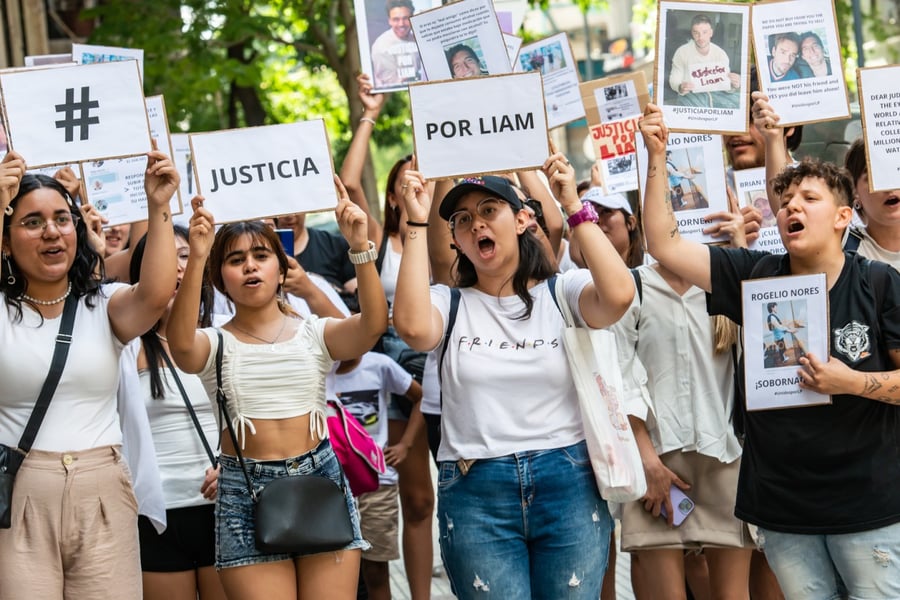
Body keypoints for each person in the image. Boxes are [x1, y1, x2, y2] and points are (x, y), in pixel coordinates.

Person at [638, 102, 900, 600]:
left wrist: (850, 383)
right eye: (784, 202)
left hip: (869, 507)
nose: (791, 208)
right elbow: (665, 245)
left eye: (809, 198)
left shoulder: (879, 283)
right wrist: (656, 156)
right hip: (783, 508)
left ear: (845, 216)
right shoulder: (753, 274)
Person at [393, 153, 635, 597]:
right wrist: (415, 222)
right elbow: (410, 327)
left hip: (568, 482)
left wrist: (574, 208)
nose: (477, 225)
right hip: (475, 491)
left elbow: (619, 295)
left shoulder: (562, 292)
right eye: (463, 220)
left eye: (489, 211)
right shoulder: (448, 304)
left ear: (523, 219)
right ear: (457, 243)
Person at [167, 181, 388, 600]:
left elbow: (372, 326)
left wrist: (359, 247)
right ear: (221, 277)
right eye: (235, 259)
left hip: (319, 477)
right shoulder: (214, 342)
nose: (250, 266)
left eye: (261, 255)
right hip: (243, 489)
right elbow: (181, 346)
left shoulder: (314, 333)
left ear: (281, 268)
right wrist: (197, 256)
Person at [0, 149, 179, 597]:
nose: (51, 233)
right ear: (6, 241)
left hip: (103, 492)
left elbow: (156, 295)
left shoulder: (105, 305)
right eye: (31, 222)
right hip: (18, 494)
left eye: (62, 218)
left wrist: (158, 205)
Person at [342, 73, 436, 600]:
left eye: (422, 178)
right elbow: (350, 179)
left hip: (444, 367)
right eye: (404, 181)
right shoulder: (381, 240)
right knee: (413, 495)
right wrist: (370, 115)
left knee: (434, 496)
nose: (413, 184)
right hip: (400, 379)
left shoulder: (448, 239)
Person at [129, 225, 226, 600]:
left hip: (223, 506)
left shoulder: (222, 338)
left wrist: (233, 466)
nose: (177, 267)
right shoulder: (126, 348)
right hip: (157, 514)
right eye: (166, 257)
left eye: (185, 255)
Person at [332, 350, 423, 600]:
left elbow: (420, 397)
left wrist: (405, 444)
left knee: (376, 571)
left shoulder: (379, 365)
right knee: (334, 572)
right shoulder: (319, 368)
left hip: (376, 485)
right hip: (330, 488)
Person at [842, 138, 900, 268]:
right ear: (854, 192)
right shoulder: (844, 249)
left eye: (896, 170)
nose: (888, 188)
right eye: (875, 177)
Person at [669, 14, 740, 109]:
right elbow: (674, 79)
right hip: (691, 95)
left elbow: (726, 85)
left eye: (705, 32)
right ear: (692, 33)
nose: (700, 37)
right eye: (696, 33)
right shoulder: (681, 52)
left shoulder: (720, 54)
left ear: (711, 33)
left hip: (716, 94)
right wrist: (680, 87)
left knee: (739, 101)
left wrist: (733, 84)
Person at [370, 0, 422, 88]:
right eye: (396, 19)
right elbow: (393, 83)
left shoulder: (419, 39)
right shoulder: (381, 46)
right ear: (389, 21)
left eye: (405, 18)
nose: (401, 24)